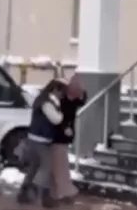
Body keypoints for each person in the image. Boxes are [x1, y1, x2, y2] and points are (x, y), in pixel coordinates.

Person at [18, 79, 66, 208]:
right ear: (55, 90)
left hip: (34, 139)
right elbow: (56, 119)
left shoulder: (42, 99)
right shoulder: (46, 103)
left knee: (34, 166)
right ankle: (44, 197)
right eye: (62, 92)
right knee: (46, 167)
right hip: (41, 140)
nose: (63, 95)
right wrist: (64, 113)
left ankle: (24, 193)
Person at [51, 76, 87, 204]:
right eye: (76, 89)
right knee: (60, 166)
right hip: (57, 137)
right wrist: (65, 127)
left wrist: (83, 91)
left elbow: (82, 101)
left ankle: (57, 193)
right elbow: (57, 119)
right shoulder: (61, 102)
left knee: (59, 166)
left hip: (65, 138)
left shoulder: (74, 101)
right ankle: (65, 192)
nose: (78, 93)